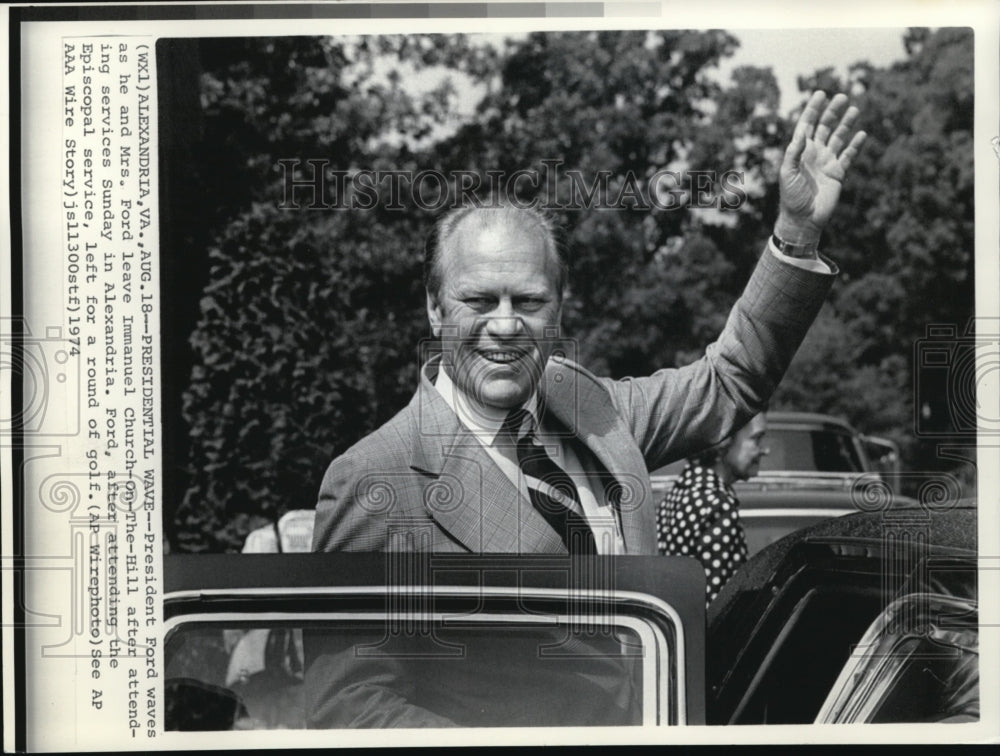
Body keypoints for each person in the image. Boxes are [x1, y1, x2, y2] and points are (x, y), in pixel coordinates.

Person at [306, 91, 866, 727]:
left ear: (560, 309)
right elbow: (346, 708)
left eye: (530, 301)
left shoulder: (590, 406)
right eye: (479, 301)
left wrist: (796, 232)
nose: (506, 325)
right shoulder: (375, 478)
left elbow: (731, 378)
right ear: (435, 309)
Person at [657, 413, 769, 605]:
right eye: (756, 439)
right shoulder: (717, 505)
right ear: (723, 439)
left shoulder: (681, 491)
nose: (764, 450)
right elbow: (719, 604)